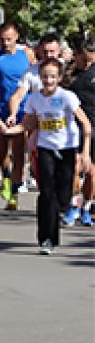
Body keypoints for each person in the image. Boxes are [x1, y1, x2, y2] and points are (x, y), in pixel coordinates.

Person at [0, 59, 91, 254]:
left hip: (67, 148)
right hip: (45, 148)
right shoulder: (34, 100)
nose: (48, 81)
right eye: (45, 77)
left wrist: (85, 153)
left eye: (52, 77)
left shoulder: (67, 97)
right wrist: (9, 131)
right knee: (47, 193)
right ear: (40, 78)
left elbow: (86, 124)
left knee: (63, 197)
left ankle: (57, 218)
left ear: (59, 78)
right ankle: (46, 239)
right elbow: (27, 124)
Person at [0, 22, 34, 209]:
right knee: (2, 152)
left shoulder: (26, 54)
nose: (5, 43)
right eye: (2, 39)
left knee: (18, 151)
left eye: (9, 39)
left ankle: (14, 193)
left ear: (16, 37)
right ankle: (6, 177)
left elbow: (36, 75)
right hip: (0, 108)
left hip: (21, 108)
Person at [62, 37, 95, 227]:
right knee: (74, 168)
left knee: (91, 173)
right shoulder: (69, 73)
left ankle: (87, 208)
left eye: (91, 59)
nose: (88, 63)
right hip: (74, 129)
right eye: (85, 59)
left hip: (94, 128)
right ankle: (73, 206)